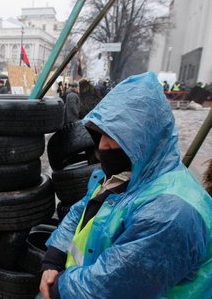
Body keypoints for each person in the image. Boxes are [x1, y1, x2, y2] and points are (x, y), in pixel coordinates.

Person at [39, 72, 212, 299]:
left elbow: (113, 287)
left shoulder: (171, 212)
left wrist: (58, 288)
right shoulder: (126, 176)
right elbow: (81, 211)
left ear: (142, 138)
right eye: (99, 135)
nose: (102, 147)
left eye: (113, 138)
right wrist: (54, 256)